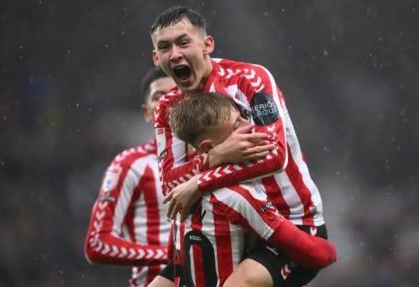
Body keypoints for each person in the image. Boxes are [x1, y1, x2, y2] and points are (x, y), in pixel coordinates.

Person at [151, 6, 330, 287]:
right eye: (165, 47)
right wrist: (216, 156)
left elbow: (274, 155)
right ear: (156, 57)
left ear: (207, 44)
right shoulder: (167, 107)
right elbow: (171, 186)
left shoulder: (250, 79)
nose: (175, 54)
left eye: (184, 42)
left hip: (288, 224)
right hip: (220, 230)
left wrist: (199, 181)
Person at [148, 92, 335, 287]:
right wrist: (329, 251)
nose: (250, 126)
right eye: (237, 125)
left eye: (243, 116)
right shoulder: (238, 196)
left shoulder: (179, 194)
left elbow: (176, 260)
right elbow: (318, 254)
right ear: (207, 147)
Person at [84, 66, 175, 287]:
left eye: (177, 94)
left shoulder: (215, 159)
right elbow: (96, 243)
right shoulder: (129, 165)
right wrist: (170, 254)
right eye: (159, 97)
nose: (168, 103)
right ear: (147, 112)